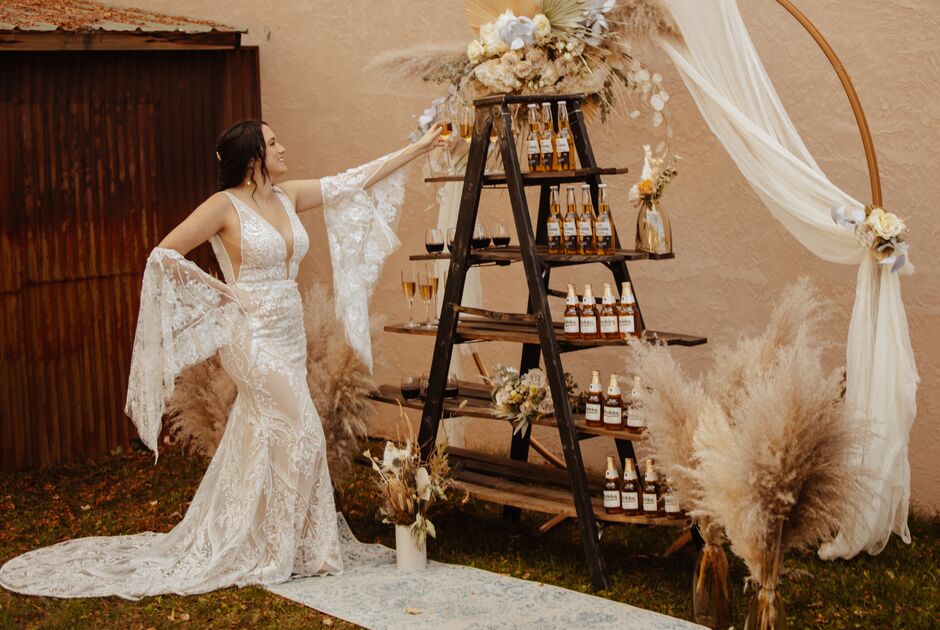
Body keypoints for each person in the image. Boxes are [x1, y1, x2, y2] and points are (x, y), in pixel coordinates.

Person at [0, 119, 447, 599]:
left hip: (289, 336)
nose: (283, 147)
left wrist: (418, 147)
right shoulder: (222, 206)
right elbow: (163, 256)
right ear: (253, 158)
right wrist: (223, 296)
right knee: (303, 433)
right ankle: (282, 550)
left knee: (264, 437)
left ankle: (283, 543)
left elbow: (352, 180)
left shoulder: (288, 196)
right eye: (273, 142)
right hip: (250, 337)